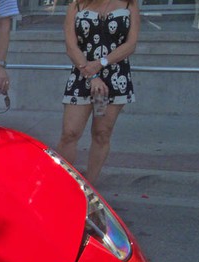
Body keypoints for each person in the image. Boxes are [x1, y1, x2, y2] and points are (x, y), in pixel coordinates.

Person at [56, 0, 139, 184]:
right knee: (70, 132)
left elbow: (130, 44)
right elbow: (71, 46)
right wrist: (92, 75)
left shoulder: (129, 5)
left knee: (101, 132)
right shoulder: (77, 5)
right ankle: (62, 183)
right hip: (83, 76)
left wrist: (101, 63)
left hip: (113, 79)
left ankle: (90, 188)